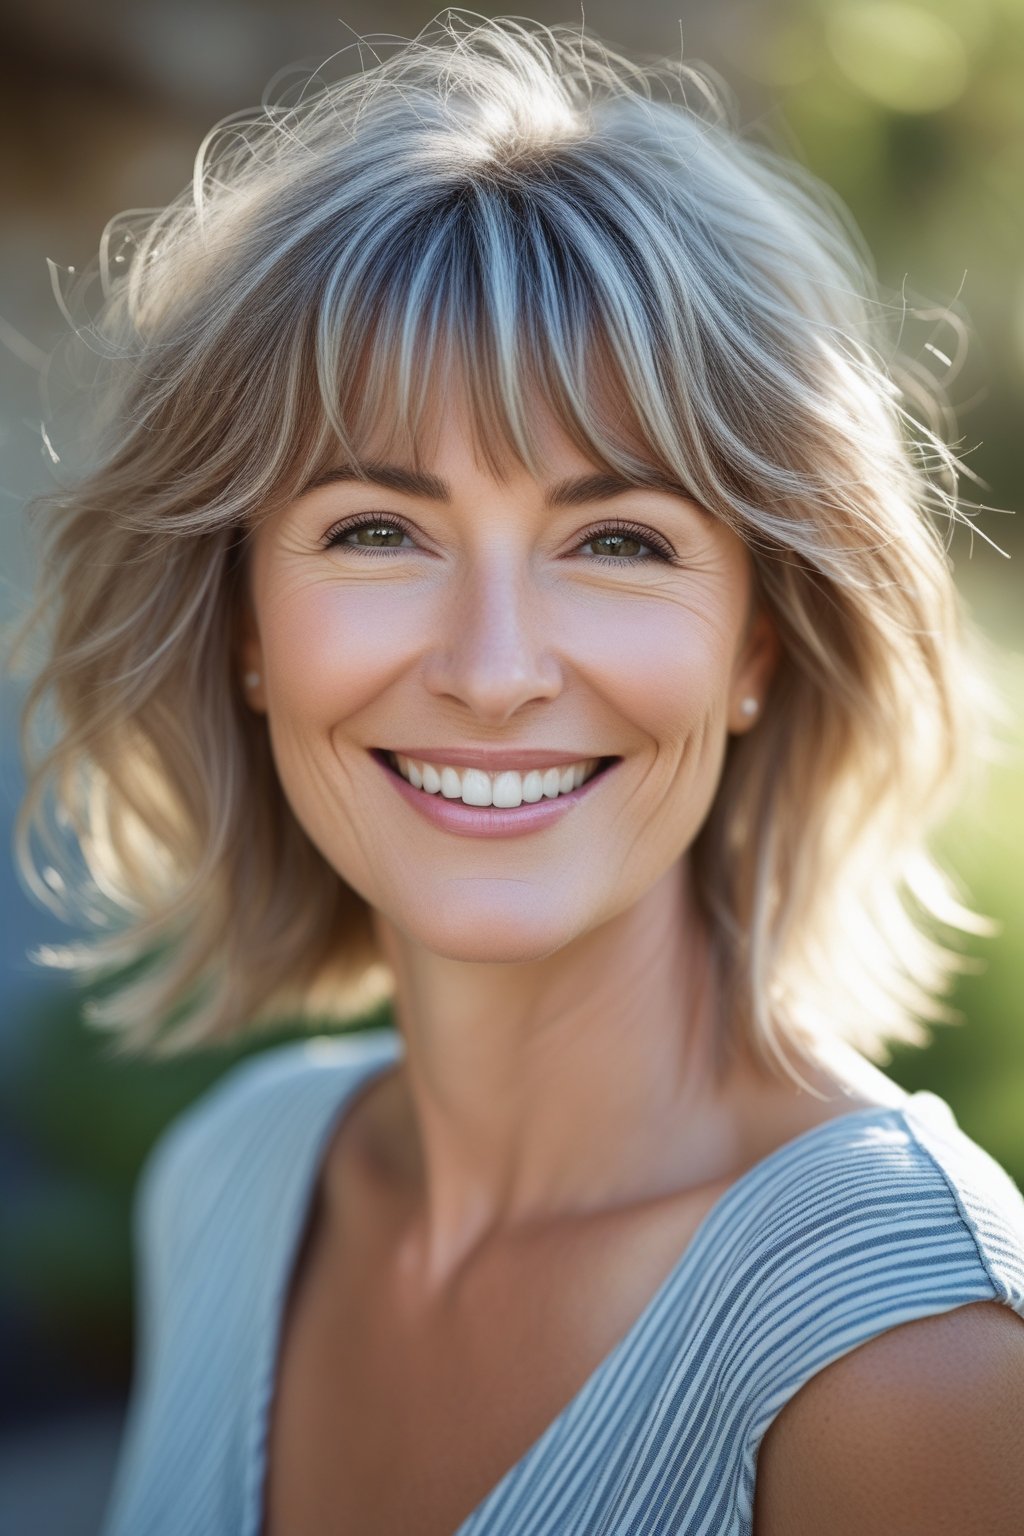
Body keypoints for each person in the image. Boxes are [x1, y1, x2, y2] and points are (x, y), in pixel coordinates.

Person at [10, 12, 1024, 1535]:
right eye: (377, 530)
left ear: (761, 644)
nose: (493, 671)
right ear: (244, 627)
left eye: (619, 543)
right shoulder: (231, 1181)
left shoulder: (917, 1362)